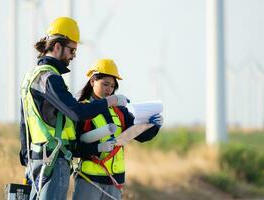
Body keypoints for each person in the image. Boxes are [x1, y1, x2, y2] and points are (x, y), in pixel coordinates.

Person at [19, 17, 128, 200]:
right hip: (53, 159)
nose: (73, 56)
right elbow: (77, 112)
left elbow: (25, 124)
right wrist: (109, 102)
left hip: (37, 159)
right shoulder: (50, 78)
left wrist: (27, 158)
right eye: (72, 50)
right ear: (57, 46)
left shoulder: (31, 76)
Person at [72, 58, 163, 200]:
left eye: (112, 86)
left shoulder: (119, 111)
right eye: (105, 84)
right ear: (92, 81)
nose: (109, 90)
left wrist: (153, 126)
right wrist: (99, 147)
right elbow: (74, 148)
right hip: (89, 180)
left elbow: (140, 136)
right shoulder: (82, 109)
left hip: (115, 182)